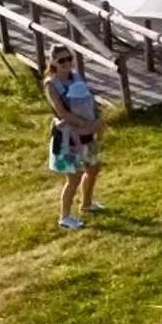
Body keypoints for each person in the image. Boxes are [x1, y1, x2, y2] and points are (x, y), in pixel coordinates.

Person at [44, 46, 104, 229]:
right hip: (68, 138)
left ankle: (87, 204)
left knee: (93, 169)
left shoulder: (76, 77)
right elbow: (62, 113)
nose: (67, 63)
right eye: (61, 60)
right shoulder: (51, 84)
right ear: (53, 62)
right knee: (74, 177)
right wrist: (86, 125)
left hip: (87, 135)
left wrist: (97, 120)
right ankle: (65, 217)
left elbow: (90, 100)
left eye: (69, 59)